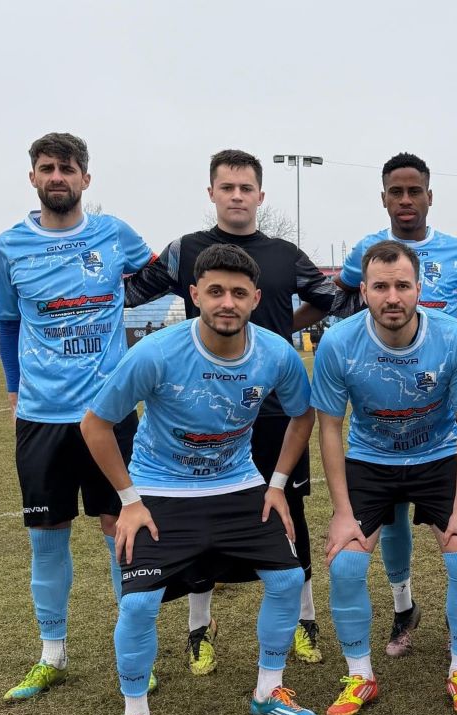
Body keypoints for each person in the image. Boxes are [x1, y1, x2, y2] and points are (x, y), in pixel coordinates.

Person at [81, 244, 318, 715]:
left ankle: (268, 690)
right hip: (161, 489)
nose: (226, 302)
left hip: (237, 484)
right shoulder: (156, 353)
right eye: (215, 291)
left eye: (238, 293)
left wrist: (277, 485)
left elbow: (302, 415)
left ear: (255, 298)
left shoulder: (277, 354)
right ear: (194, 295)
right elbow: (95, 424)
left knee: (286, 580)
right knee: (138, 605)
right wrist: (130, 501)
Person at [124, 149, 335, 672]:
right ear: (212, 193)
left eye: (246, 188)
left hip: (272, 409)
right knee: (200, 513)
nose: (237, 196)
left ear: (261, 195)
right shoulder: (185, 250)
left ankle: (305, 619)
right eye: (227, 187)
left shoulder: (286, 254)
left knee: (288, 510)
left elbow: (328, 298)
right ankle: (200, 628)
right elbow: (129, 294)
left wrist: (284, 328)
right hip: (201, 407)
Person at [0, 133, 158, 701]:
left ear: (86, 178)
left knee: (123, 529)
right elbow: (9, 324)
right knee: (46, 536)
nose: (57, 176)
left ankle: (133, 651)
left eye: (67, 168)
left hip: (108, 412)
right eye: (47, 168)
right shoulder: (8, 247)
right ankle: (52, 654)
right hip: (42, 415)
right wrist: (14, 390)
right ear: (33, 179)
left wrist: (117, 298)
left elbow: (155, 274)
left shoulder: (113, 233)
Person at [314, 240, 457, 715]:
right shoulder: (338, 342)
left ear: (419, 288)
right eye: (381, 287)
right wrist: (342, 512)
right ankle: (360, 676)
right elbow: (329, 427)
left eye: (402, 286)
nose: (392, 297)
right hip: (371, 460)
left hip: (438, 456)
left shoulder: (452, 337)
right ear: (364, 291)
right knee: (345, 565)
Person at [333, 152, 457, 659]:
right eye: (380, 287)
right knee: (372, 539)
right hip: (374, 449)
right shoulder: (362, 260)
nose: (405, 199)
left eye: (414, 190)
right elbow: (333, 297)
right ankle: (397, 616)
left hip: (436, 437)